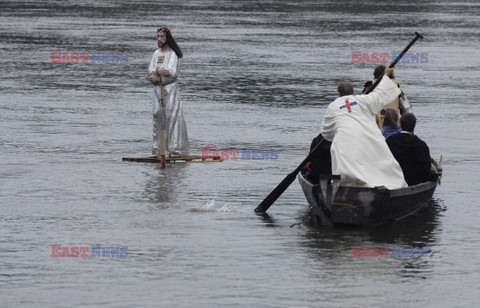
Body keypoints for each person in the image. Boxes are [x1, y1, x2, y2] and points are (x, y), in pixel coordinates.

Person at [320, 67, 407, 189]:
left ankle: (348, 188)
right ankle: (381, 186)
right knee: (375, 158)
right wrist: (386, 75)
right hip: (368, 135)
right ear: (353, 92)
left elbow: (326, 132)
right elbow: (380, 94)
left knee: (347, 165)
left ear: (338, 94)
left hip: (345, 139)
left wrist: (333, 135)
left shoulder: (333, 106)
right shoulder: (363, 100)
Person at [148, 27, 189, 157]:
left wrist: (159, 75)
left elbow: (172, 73)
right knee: (157, 115)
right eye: (158, 36)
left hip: (170, 90)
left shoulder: (173, 54)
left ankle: (175, 149)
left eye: (162, 37)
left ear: (167, 38)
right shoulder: (156, 53)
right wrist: (156, 73)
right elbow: (151, 70)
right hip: (157, 91)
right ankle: (158, 149)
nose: (159, 39)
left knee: (172, 116)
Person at [386, 113, 438, 186]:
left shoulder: (390, 141)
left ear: (400, 124)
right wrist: (435, 173)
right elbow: (425, 166)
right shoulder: (421, 145)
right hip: (414, 181)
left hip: (394, 179)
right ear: (414, 126)